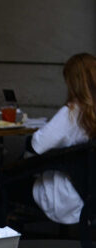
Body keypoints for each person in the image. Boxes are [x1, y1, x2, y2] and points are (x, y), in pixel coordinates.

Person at [30, 53, 96, 224]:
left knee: (5, 184)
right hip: (89, 191)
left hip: (69, 197)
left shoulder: (72, 112)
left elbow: (37, 145)